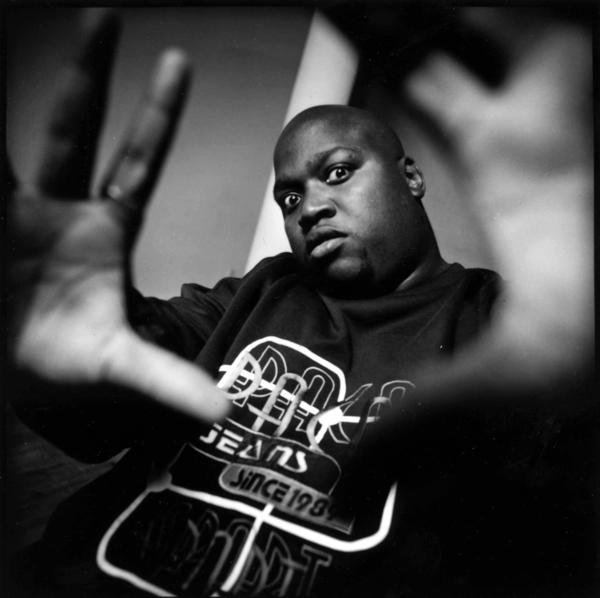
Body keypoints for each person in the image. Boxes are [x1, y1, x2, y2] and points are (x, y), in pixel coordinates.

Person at [6, 8, 595, 598]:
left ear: (411, 179)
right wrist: (41, 351)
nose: (309, 208)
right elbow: (99, 414)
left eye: (336, 172)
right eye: (289, 198)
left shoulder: (503, 322)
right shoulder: (260, 291)